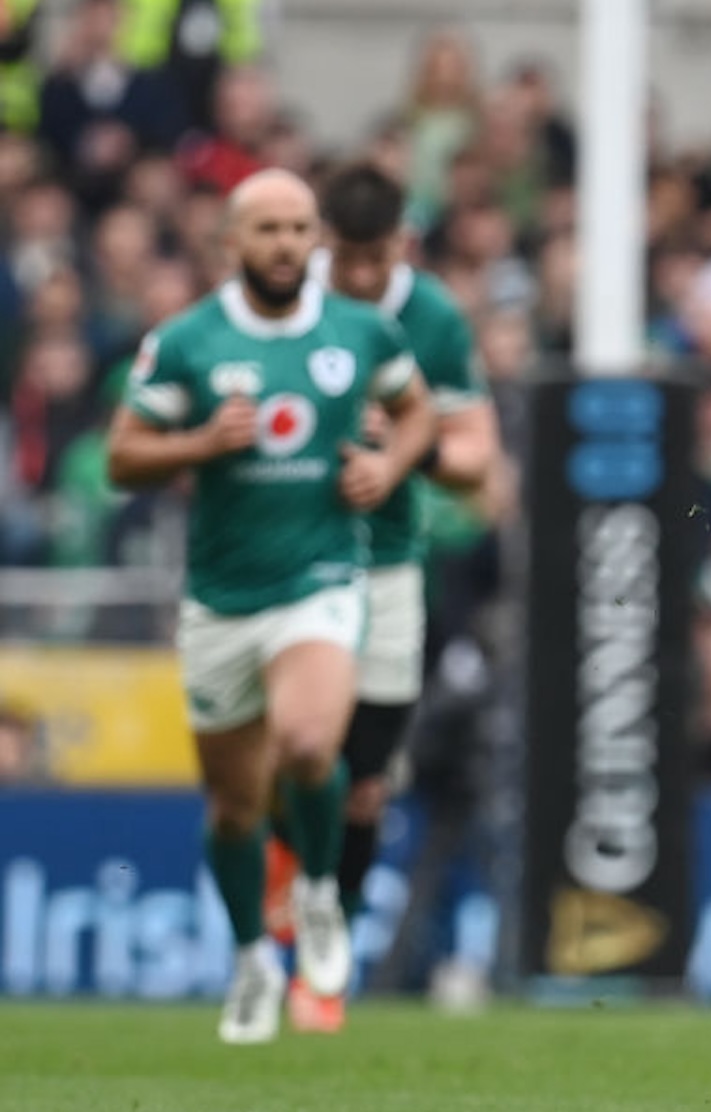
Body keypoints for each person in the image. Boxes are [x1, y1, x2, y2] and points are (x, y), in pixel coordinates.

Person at [104, 168, 435, 1044]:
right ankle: (253, 958)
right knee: (235, 808)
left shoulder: (359, 331)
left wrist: (388, 467)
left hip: (321, 579)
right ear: (231, 243)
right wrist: (198, 443)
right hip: (219, 598)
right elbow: (121, 456)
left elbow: (417, 413)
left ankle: (321, 893)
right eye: (268, 230)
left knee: (307, 743)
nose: (287, 245)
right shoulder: (188, 341)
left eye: (299, 229)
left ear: (315, 240)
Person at [261, 160, 498, 1032]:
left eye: (374, 259)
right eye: (345, 258)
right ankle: (286, 850)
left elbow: (478, 462)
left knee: (365, 787)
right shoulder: (278, 305)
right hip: (289, 560)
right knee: (300, 747)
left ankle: (324, 966)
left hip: (393, 566)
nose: (359, 277)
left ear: (400, 244)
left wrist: (408, 445)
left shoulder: (430, 318)